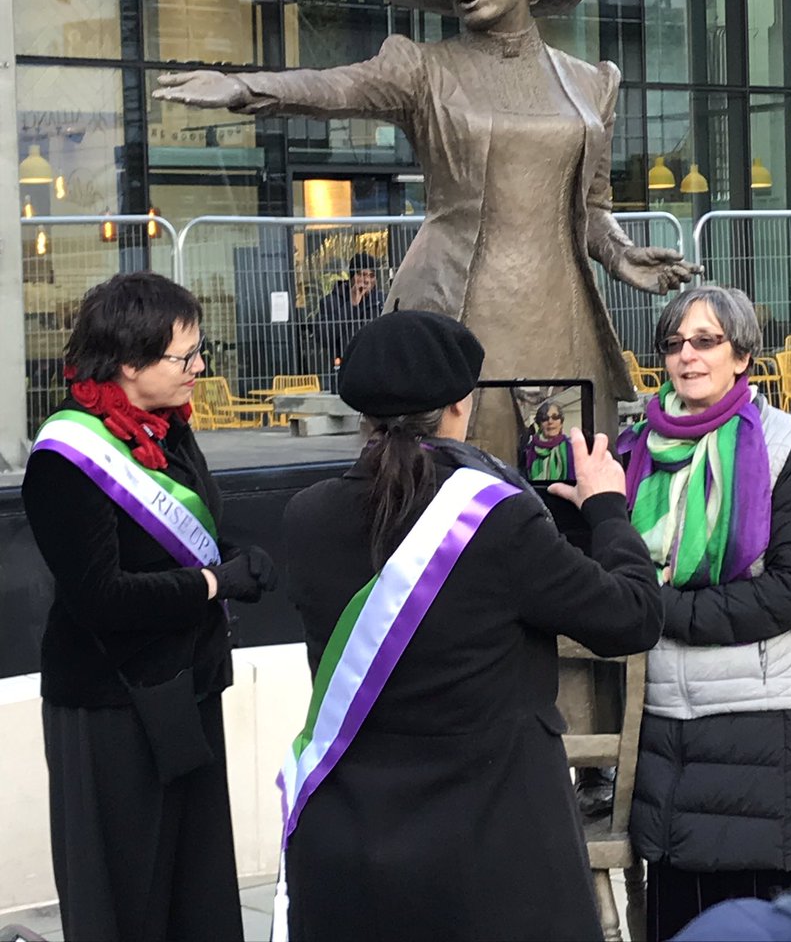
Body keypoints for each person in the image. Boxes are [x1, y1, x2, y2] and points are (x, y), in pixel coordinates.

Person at [153, 0, 697, 454]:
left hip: (561, 317)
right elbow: (336, 88)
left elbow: (590, 206)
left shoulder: (592, 83)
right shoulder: (423, 69)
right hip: (457, 307)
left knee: (570, 478)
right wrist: (244, 86)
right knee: (454, 477)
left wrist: (619, 255)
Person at [277, 309, 663, 942]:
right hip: (495, 853)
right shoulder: (499, 519)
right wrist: (607, 509)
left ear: (363, 414)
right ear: (460, 404)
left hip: (352, 848)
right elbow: (633, 618)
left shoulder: (304, 517)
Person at [22, 272, 277, 942]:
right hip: (111, 700)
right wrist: (216, 584)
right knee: (124, 888)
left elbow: (190, 533)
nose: (200, 369)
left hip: (186, 683)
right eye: (184, 357)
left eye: (199, 353)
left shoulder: (168, 431)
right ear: (129, 362)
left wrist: (236, 553)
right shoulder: (68, 457)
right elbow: (99, 596)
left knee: (193, 885)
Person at [618, 285, 791, 942]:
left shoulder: (788, 449)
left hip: (766, 732)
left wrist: (651, 609)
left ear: (742, 354)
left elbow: (788, 592)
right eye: (673, 343)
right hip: (669, 727)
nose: (687, 356)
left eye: (706, 340)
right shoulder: (634, 451)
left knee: (772, 922)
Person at [311, 252, 384, 385]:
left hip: (376, 368)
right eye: (361, 274)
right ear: (351, 277)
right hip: (344, 369)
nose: (366, 280)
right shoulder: (330, 302)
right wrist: (351, 305)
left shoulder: (380, 301)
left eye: (371, 276)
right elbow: (324, 336)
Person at [524, 399, 574, 481]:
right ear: (539, 425)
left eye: (555, 417)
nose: (550, 421)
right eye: (544, 418)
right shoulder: (529, 450)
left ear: (561, 423)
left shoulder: (572, 448)